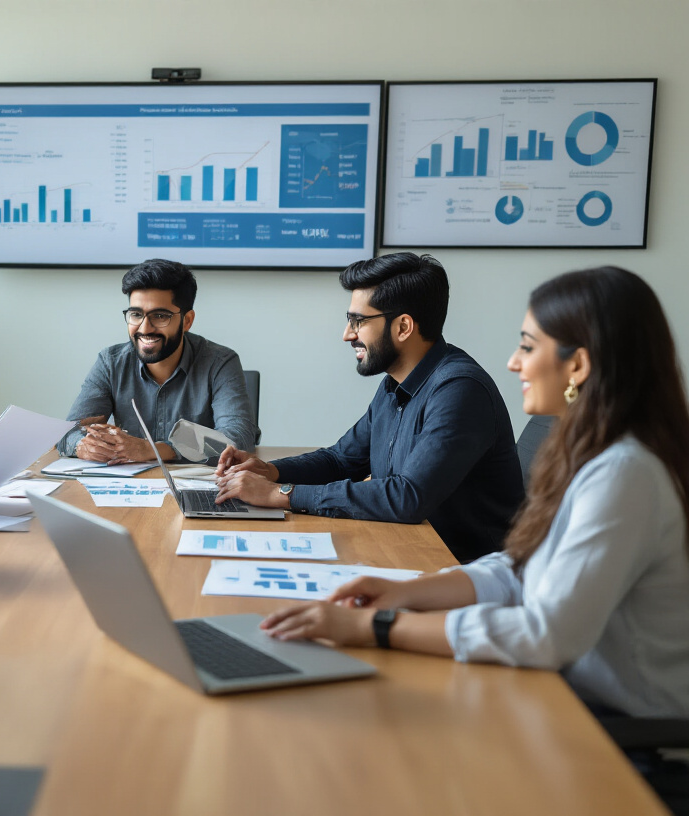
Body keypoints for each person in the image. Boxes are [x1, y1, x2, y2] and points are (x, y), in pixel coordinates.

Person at [260, 266, 689, 723]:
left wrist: (376, 626)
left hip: (612, 724)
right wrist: (406, 593)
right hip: (557, 686)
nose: (513, 362)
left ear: (578, 366)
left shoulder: (624, 473)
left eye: (527, 345)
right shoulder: (591, 453)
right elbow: (520, 570)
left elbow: (545, 635)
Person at [216, 252, 523, 563]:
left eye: (358, 321)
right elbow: (341, 460)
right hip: (406, 548)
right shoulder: (395, 383)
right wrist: (271, 471)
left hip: (459, 569)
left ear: (403, 327)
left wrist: (279, 494)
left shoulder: (459, 390)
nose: (347, 334)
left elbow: (407, 498)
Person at [56, 258, 258, 465]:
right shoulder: (110, 362)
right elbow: (67, 433)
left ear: (187, 320)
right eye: (136, 314)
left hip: (197, 486)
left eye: (160, 316)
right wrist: (85, 445)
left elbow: (237, 436)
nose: (145, 328)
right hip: (127, 487)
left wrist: (151, 449)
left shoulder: (220, 362)